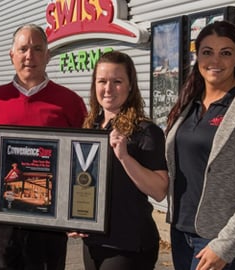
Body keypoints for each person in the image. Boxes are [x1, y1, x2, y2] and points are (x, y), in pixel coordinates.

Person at [0, 24, 87, 269]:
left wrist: (79, 209)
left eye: (37, 49)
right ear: (12, 55)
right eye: (23, 49)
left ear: (48, 55)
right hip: (3, 210)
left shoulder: (70, 102)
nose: (30, 55)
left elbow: (83, 160)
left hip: (49, 212)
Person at [165, 20, 235, 270]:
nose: (215, 60)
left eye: (225, 53)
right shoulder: (188, 104)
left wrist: (225, 244)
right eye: (208, 52)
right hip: (181, 233)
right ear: (197, 56)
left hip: (223, 239)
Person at [70, 51, 169, 269]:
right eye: (102, 81)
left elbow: (159, 190)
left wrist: (125, 157)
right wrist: (74, 217)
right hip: (94, 241)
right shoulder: (90, 128)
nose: (108, 89)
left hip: (128, 244)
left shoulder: (145, 131)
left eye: (117, 81)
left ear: (130, 85)